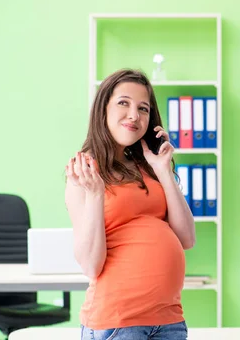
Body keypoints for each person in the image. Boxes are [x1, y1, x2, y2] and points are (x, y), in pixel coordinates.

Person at [65, 69, 196, 340]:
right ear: (103, 109)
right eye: (123, 103)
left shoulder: (148, 166)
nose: (134, 115)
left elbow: (186, 237)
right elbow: (90, 265)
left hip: (169, 319)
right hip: (119, 323)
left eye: (143, 108)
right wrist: (96, 194)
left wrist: (164, 172)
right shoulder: (85, 173)